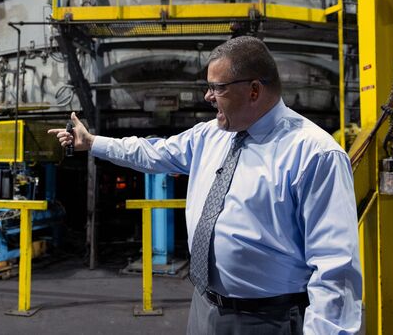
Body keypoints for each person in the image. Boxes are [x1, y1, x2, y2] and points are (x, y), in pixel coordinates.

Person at [48, 36, 362, 334]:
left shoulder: (314, 153)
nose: (207, 97)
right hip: (204, 306)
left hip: (269, 318)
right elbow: (153, 152)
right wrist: (93, 143)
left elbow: (336, 270)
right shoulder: (210, 135)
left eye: (217, 87)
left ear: (254, 90)